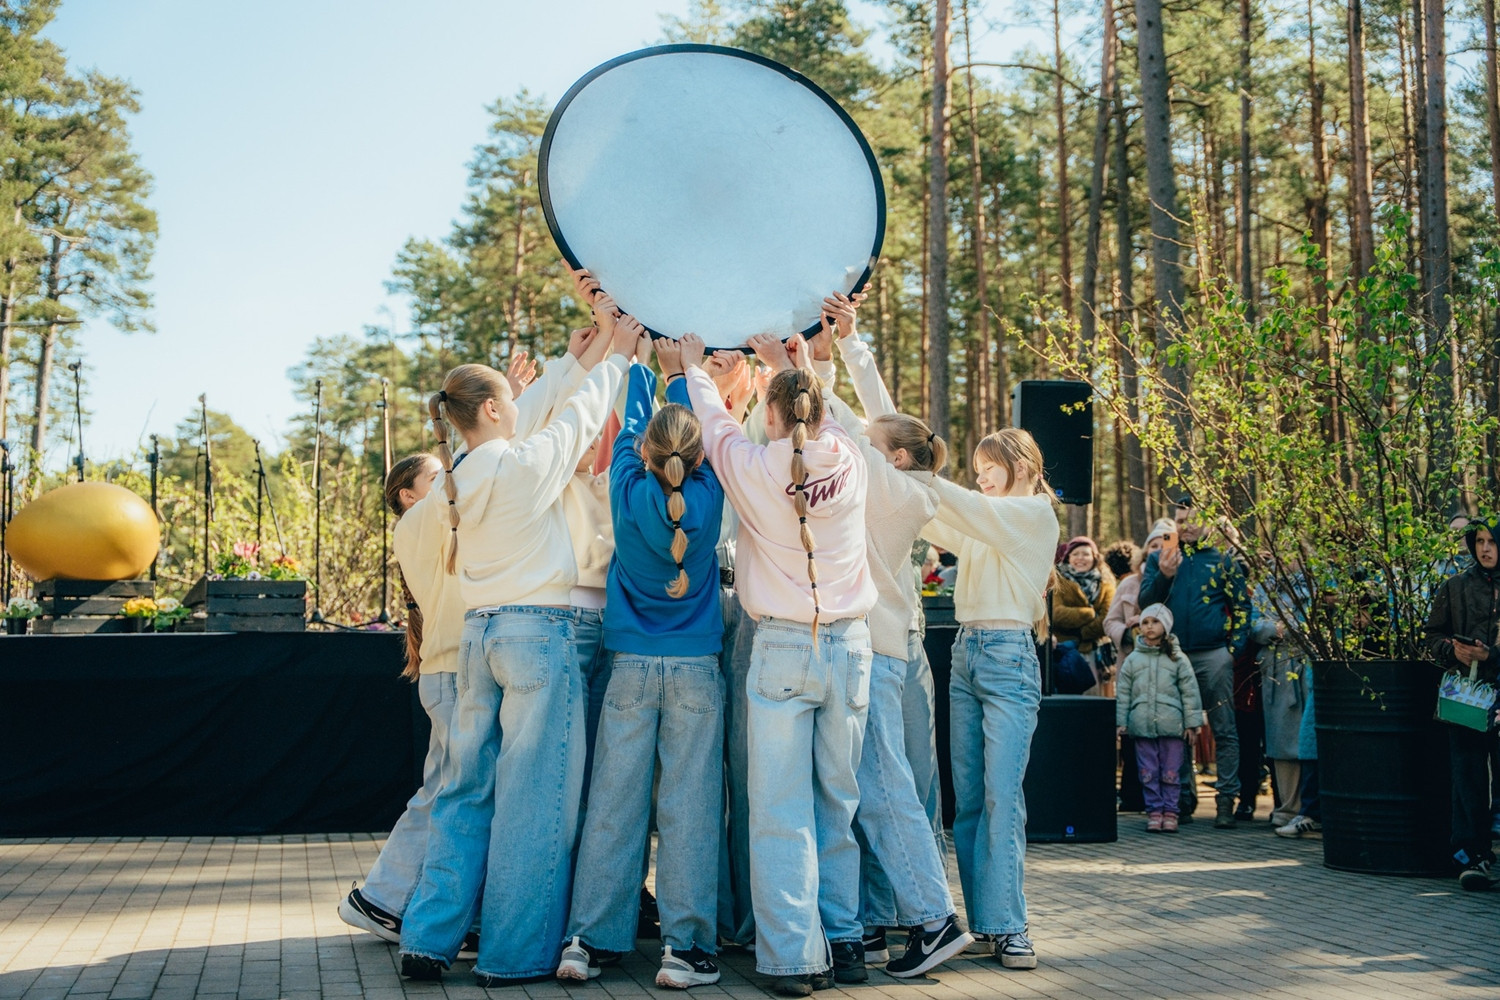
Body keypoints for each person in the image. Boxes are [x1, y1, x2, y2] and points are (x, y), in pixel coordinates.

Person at [397, 299, 639, 986]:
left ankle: (428, 938)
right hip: (537, 635)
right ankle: (512, 955)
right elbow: (577, 417)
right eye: (510, 399)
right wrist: (618, 353)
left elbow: (533, 412)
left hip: (479, 635)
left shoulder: (457, 476)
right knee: (537, 798)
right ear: (493, 409)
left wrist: (578, 355)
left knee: (465, 792)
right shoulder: (525, 467)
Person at [680, 332, 876, 998]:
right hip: (850, 645)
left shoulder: (753, 466)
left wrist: (693, 368)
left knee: (778, 808)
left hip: (783, 646)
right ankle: (845, 940)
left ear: (768, 413)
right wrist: (789, 363)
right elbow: (832, 416)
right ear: (819, 411)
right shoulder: (849, 457)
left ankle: (793, 956)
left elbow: (712, 424)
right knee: (837, 801)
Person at [558, 347, 728, 989]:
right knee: (690, 807)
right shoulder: (710, 491)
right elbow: (689, 438)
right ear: (697, 458)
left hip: (629, 666)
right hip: (696, 670)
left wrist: (638, 365)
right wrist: (684, 374)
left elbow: (632, 427)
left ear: (645, 455)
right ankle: (685, 949)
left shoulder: (626, 485)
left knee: (614, 802)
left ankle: (588, 941)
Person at [823, 292, 972, 977]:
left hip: (878, 654)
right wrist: (850, 345)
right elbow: (873, 423)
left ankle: (934, 920)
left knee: (885, 791)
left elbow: (851, 427)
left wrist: (801, 368)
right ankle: (899, 922)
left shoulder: (891, 489)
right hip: (882, 650)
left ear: (900, 458)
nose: (865, 443)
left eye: (879, 446)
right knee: (883, 790)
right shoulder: (903, 483)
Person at [905, 429, 1059, 971]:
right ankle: (987, 922)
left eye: (989, 466)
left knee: (1002, 797)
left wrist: (916, 466)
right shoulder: (986, 519)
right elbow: (932, 511)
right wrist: (889, 445)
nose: (981, 477)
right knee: (969, 800)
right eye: (976, 469)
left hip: (1009, 657)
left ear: (1022, 465)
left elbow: (961, 503)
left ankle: (1012, 927)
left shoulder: (1035, 514)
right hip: (966, 653)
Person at [338, 454, 476, 958]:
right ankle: (384, 899)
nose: (448, 480)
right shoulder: (417, 524)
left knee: (444, 791)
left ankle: (397, 901)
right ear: (408, 496)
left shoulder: (434, 526)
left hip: (449, 673)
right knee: (445, 795)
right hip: (451, 674)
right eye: (435, 477)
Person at [1139, 500, 1250, 828]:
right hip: (1173, 654)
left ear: (1207, 524)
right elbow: (1146, 604)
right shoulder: (1160, 558)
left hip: (1214, 654)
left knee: (1224, 729)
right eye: (1180, 520)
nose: (1186, 526)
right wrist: (1164, 576)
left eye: (1192, 520)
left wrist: (1233, 650)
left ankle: (1226, 800)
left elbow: (1242, 607)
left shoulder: (1222, 561)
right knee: (1177, 730)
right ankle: (1182, 801)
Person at [1421, 515, 1500, 891]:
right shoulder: (1455, 586)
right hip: (1466, 694)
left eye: (1492, 541)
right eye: (1479, 541)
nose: (1485, 548)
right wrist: (1452, 650)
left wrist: (1491, 655)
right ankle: (1472, 857)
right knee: (1467, 776)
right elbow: (1431, 636)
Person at [1104, 520, 1174, 814]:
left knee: (1166, 730)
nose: (1158, 550)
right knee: (1131, 727)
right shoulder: (1129, 583)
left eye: (1163, 545)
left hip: (1166, 664)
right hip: (1132, 662)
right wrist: (1127, 632)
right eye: (1153, 546)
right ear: (1145, 551)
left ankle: (1171, 797)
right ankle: (1132, 794)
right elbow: (1110, 621)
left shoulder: (1176, 580)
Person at [1114, 604, 1202, 833]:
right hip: (1141, 725)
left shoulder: (1178, 658)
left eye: (1155, 622)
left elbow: (1190, 692)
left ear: (1166, 625)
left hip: (1172, 725)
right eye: (1144, 622)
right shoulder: (1133, 659)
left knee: (1171, 772)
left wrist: (1192, 723)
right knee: (1148, 771)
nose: (1149, 627)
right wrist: (1121, 721)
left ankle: (1171, 812)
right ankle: (1154, 811)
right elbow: (1123, 693)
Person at [1052, 536, 1116, 659]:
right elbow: (1056, 613)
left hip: (1098, 651)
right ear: (1068, 558)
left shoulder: (1106, 584)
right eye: (1075, 554)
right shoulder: (1058, 583)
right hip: (1064, 651)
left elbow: (1108, 617)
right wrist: (1089, 614)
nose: (1080, 558)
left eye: (1086, 554)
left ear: (1094, 557)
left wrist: (1083, 633)